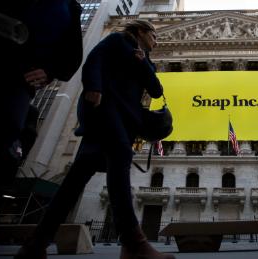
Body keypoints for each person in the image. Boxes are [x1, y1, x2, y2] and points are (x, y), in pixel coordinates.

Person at [15, 20, 175, 259]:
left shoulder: (147, 59)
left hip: (125, 120)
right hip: (104, 109)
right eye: (154, 35)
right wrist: (94, 87)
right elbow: (94, 61)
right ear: (141, 31)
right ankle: (133, 242)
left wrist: (143, 64)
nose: (156, 40)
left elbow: (156, 90)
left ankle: (36, 244)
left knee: (75, 180)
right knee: (121, 155)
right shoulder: (117, 41)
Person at [0, 0, 83, 206]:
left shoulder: (71, 8)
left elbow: (73, 55)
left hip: (19, 82)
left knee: (5, 134)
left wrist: (50, 71)